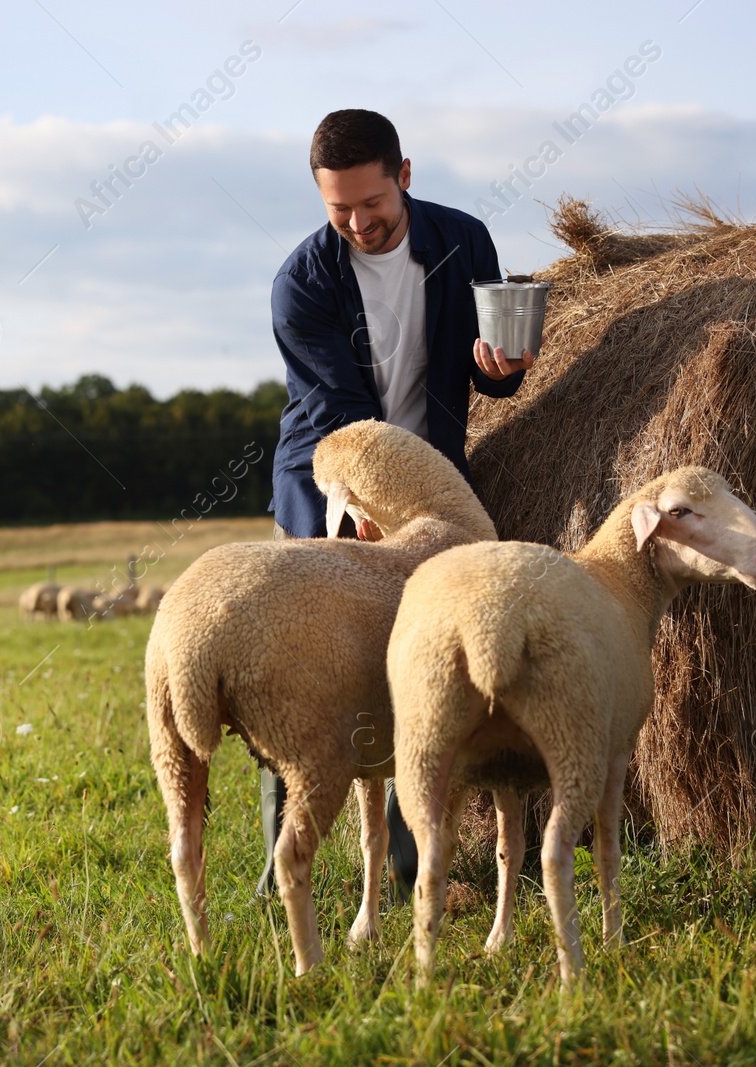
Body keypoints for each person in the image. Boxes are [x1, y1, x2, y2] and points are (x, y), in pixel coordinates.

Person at [258, 109, 535, 899]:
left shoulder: (466, 240)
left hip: (433, 486)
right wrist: (369, 511)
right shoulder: (300, 284)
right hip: (332, 486)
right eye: (337, 208)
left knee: (425, 678)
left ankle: (422, 871)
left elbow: (488, 375)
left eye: (370, 202)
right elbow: (343, 419)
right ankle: (281, 872)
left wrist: (505, 365)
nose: (357, 222)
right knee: (296, 682)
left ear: (404, 175)